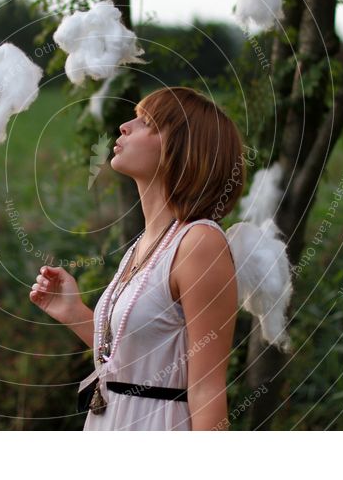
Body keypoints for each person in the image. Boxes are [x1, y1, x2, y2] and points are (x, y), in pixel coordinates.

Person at [29, 86, 246, 430]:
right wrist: (74, 313)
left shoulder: (199, 242)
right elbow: (131, 362)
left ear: (182, 149)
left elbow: (207, 387)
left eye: (148, 122)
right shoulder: (144, 245)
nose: (124, 126)